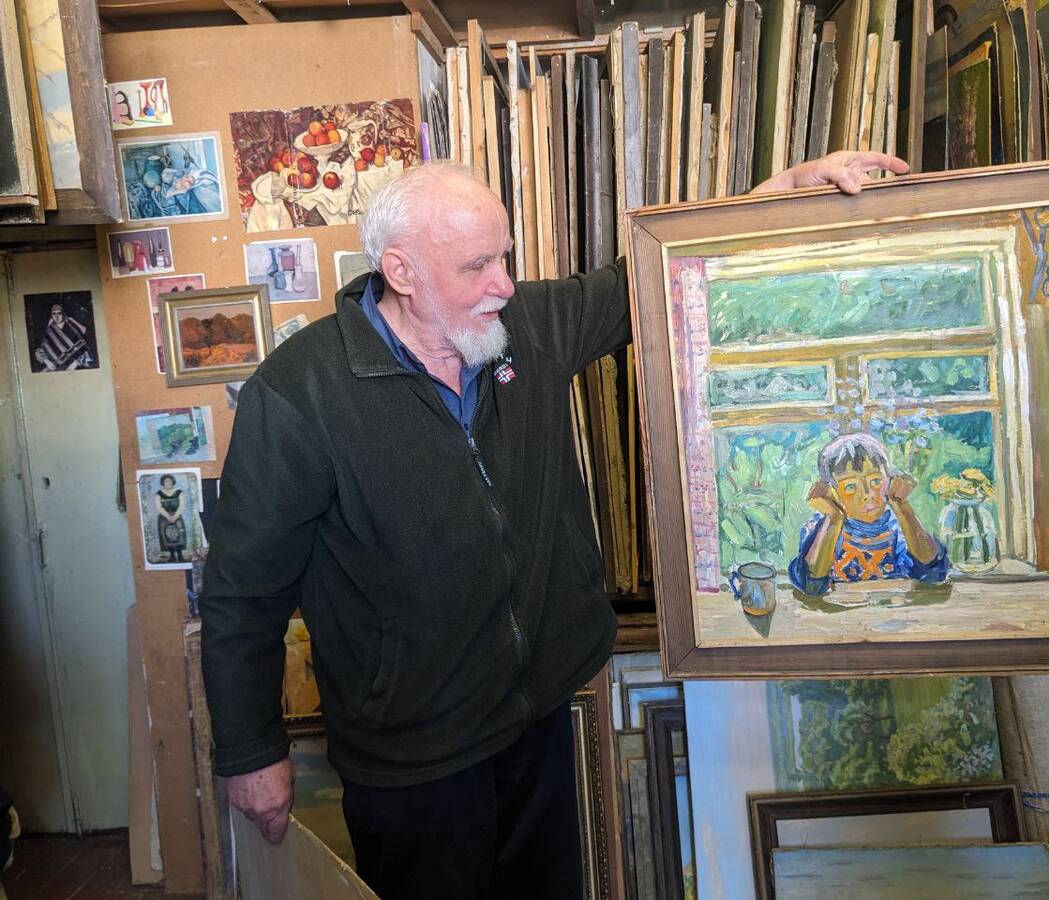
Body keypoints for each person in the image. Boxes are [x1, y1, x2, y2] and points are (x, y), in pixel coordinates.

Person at [200, 149, 908, 900]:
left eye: (504, 257)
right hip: (413, 758)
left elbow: (646, 279)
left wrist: (776, 196)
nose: (504, 284)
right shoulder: (301, 394)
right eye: (478, 266)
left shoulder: (524, 328)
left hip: (541, 717)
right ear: (401, 272)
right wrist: (250, 751)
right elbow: (244, 591)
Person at [788, 432, 948, 596]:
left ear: (889, 480)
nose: (867, 494)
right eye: (851, 487)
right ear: (831, 492)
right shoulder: (821, 527)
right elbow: (810, 585)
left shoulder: (898, 525)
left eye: (876, 481)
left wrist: (902, 507)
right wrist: (834, 518)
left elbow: (932, 573)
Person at [154, 474, 187, 563]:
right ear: (162, 483)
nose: (168, 483)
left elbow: (182, 506)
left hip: (177, 516)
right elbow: (159, 507)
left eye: (169, 481)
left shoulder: (179, 493)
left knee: (179, 536)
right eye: (166, 481)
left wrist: (175, 516)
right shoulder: (158, 494)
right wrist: (168, 516)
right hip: (164, 517)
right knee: (167, 536)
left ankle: (180, 556)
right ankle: (172, 556)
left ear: (173, 482)